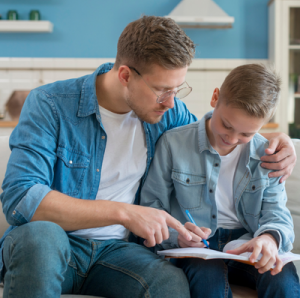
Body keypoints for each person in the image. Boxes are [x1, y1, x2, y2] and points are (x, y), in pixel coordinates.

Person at [0, 16, 296, 298]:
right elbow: (21, 197)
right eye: (162, 91)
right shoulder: (50, 105)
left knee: (168, 282)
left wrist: (277, 142)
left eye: (176, 89)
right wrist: (123, 213)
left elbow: (216, 137)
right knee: (41, 240)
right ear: (125, 75)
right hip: (54, 244)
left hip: (120, 252)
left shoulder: (168, 114)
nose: (171, 102)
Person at [140, 64, 300, 298]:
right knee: (206, 279)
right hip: (197, 249)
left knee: (282, 275)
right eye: (226, 125)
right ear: (215, 97)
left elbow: (277, 213)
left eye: (246, 134)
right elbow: (151, 206)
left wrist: (269, 238)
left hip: (248, 244)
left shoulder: (269, 155)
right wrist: (178, 234)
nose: (232, 139)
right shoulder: (173, 144)